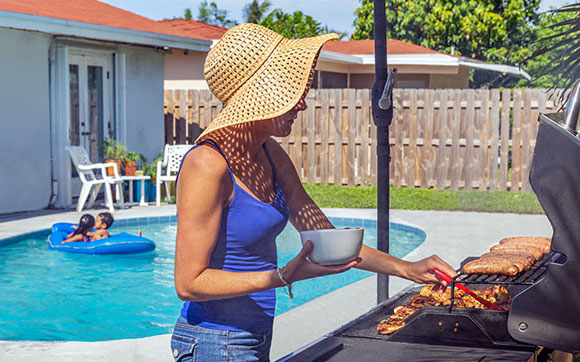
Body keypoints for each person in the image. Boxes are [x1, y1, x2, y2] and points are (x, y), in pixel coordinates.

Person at [171, 23, 457, 362]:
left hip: (253, 337)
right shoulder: (207, 164)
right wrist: (281, 277)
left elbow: (328, 241)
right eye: (292, 94)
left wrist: (408, 268)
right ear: (260, 97)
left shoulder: (271, 155)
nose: (302, 104)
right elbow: (188, 282)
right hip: (213, 342)